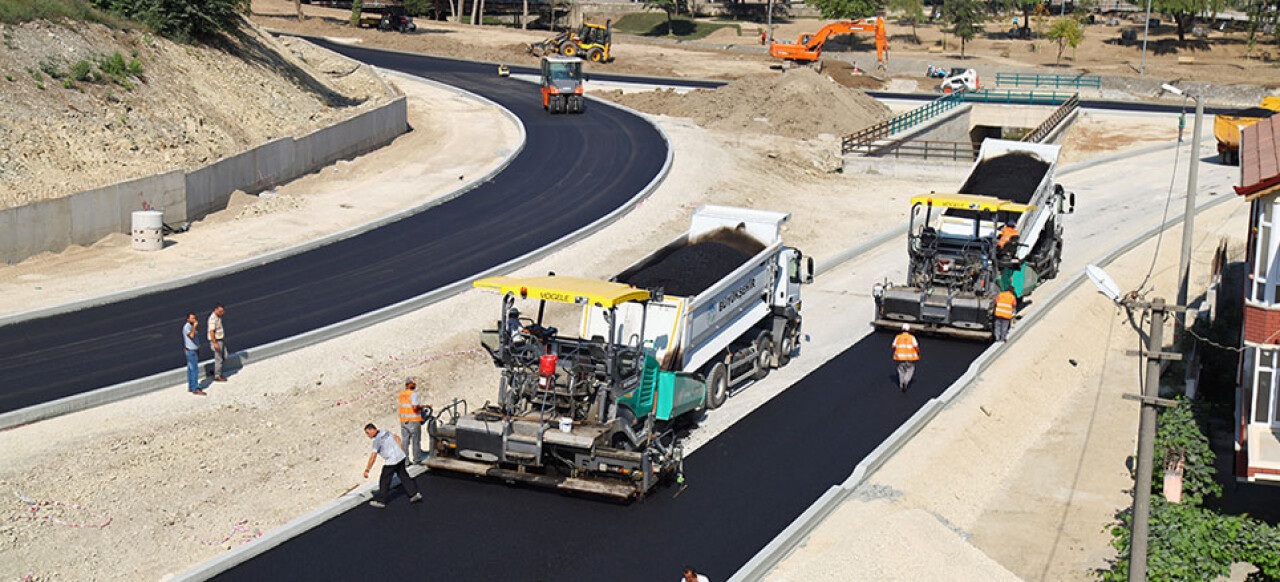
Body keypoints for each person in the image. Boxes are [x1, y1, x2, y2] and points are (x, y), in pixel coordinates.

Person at [363, 423, 423, 508]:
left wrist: (367, 470)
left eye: (368, 433)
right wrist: (401, 450)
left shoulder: (377, 441)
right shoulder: (385, 431)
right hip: (401, 457)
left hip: (392, 461)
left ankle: (381, 501)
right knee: (403, 475)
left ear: (372, 430)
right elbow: (397, 437)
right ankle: (414, 494)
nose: (368, 436)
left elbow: (373, 457)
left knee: (384, 480)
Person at [398, 378, 430, 464]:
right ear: (409, 384)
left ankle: (405, 461)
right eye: (413, 384)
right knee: (416, 441)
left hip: (404, 421)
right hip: (413, 421)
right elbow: (415, 407)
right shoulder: (413, 394)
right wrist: (423, 407)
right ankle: (417, 459)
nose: (415, 385)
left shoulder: (401, 394)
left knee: (405, 442)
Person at [182, 313, 205, 396]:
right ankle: (195, 388)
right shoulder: (187, 327)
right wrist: (195, 326)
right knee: (194, 369)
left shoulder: (191, 327)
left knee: (191, 369)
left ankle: (191, 386)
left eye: (194, 318)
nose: (194, 320)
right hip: (190, 351)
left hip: (194, 350)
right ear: (188, 319)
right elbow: (191, 335)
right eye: (192, 318)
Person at [893, 324, 920, 393]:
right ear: (908, 330)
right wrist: (917, 352)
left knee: (901, 371)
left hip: (900, 357)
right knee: (910, 369)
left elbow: (894, 346)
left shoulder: (898, 337)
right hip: (909, 358)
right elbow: (916, 346)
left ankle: (901, 384)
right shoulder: (912, 337)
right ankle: (906, 381)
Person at [207, 303, 228, 382]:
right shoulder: (213, 319)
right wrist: (215, 343)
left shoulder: (218, 317)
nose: (222, 313)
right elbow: (211, 332)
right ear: (216, 310)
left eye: (223, 311)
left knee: (224, 356)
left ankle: (215, 369)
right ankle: (217, 376)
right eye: (220, 311)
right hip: (216, 341)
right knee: (219, 358)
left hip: (220, 340)